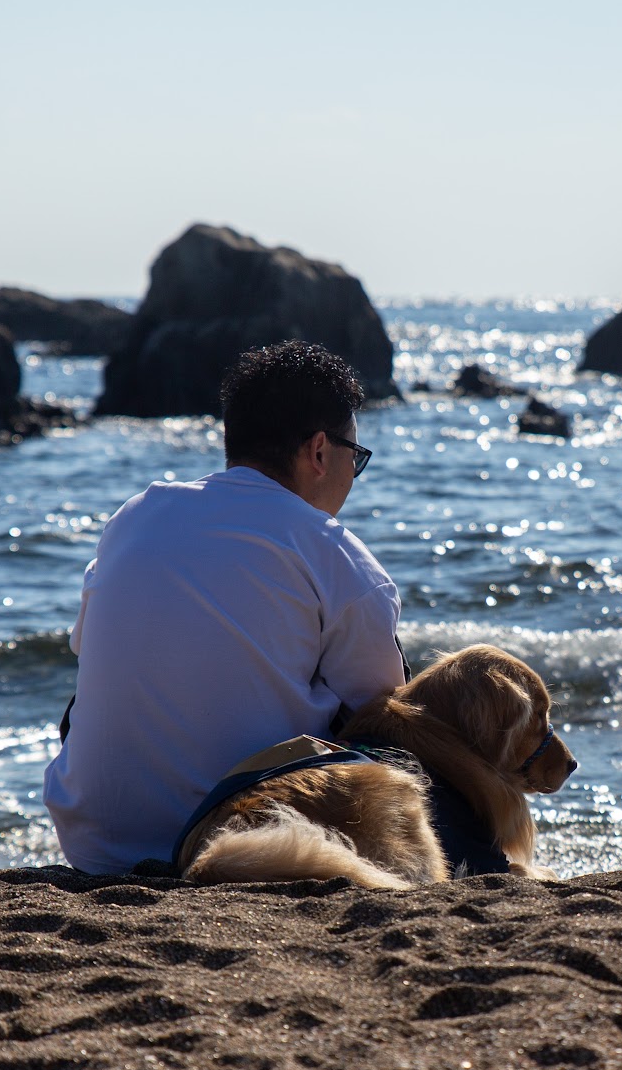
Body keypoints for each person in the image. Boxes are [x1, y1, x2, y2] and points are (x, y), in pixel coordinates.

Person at [44, 342, 405, 874]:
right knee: (394, 739)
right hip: (237, 840)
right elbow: (386, 714)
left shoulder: (137, 514)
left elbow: (86, 652)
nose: (354, 474)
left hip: (95, 846)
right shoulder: (334, 553)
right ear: (321, 452)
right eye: (357, 456)